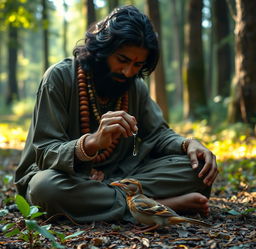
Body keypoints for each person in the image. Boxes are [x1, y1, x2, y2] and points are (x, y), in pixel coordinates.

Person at [15, 5, 218, 224]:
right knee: (45, 189)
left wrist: (188, 144)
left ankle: (129, 204)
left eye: (138, 64)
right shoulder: (59, 78)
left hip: (120, 178)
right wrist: (91, 143)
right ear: (103, 49)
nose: (129, 71)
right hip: (66, 177)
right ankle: (161, 205)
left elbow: (158, 134)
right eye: (122, 60)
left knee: (197, 168)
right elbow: (43, 152)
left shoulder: (134, 87)